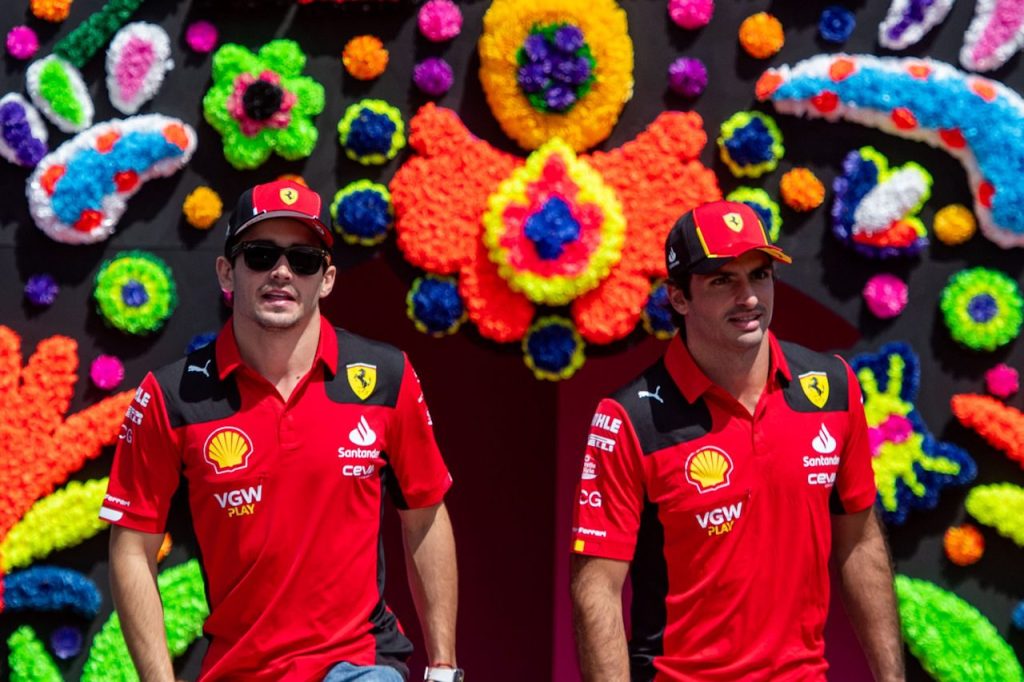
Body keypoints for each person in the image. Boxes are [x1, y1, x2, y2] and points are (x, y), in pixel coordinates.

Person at [102, 180, 464, 682]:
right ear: (226, 272)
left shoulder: (385, 376)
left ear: (327, 278)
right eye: (260, 255)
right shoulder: (172, 395)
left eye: (304, 260)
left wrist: (443, 668)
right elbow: (131, 547)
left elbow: (424, 516)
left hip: (359, 664)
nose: (282, 272)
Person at [569, 200, 904, 682]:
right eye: (722, 280)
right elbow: (596, 588)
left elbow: (861, 540)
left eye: (759, 275)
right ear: (679, 298)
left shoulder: (832, 386)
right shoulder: (629, 418)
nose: (748, 297)